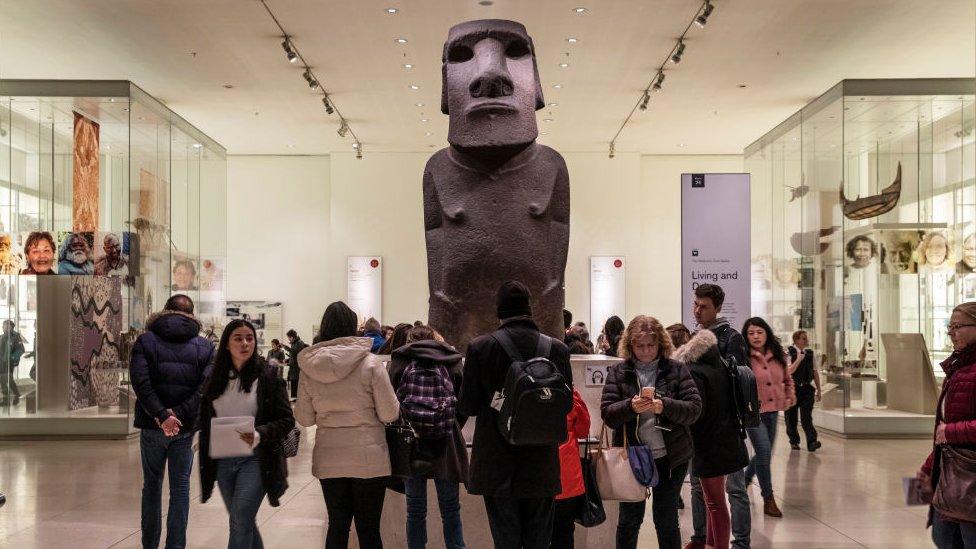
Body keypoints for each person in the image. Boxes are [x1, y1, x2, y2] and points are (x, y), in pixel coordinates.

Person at [458, 280, 572, 548]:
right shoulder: (557, 349)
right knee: (539, 541)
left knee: (506, 540)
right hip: (542, 464)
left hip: (497, 465)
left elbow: (469, 406)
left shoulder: (480, 347)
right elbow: (565, 406)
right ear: (529, 309)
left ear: (499, 311)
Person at [295, 301, 400, 549]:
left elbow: (305, 418)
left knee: (337, 526)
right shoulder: (371, 364)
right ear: (354, 327)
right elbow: (389, 413)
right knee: (369, 530)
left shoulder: (309, 368)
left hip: (329, 458)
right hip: (369, 459)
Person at [601, 315, 702, 549]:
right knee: (629, 520)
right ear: (630, 345)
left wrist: (664, 405)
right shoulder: (619, 371)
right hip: (632, 457)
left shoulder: (676, 370)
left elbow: (694, 409)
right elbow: (608, 413)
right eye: (639, 346)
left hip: (671, 456)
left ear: (661, 344)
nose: (646, 351)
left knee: (666, 520)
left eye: (651, 345)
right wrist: (630, 407)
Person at [198, 319, 295, 549]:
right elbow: (205, 417)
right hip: (223, 460)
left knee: (240, 521)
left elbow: (286, 420)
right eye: (238, 338)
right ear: (226, 345)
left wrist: (259, 433)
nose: (245, 343)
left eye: (249, 338)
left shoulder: (269, 379)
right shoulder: (214, 380)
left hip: (257, 460)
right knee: (244, 522)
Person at [129, 294, 215, 549]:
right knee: (180, 489)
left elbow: (140, 383)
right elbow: (205, 388)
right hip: (185, 429)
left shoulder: (145, 341)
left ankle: (150, 544)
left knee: (152, 487)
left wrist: (162, 415)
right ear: (192, 314)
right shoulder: (205, 346)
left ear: (164, 311)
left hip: (152, 425)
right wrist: (178, 414)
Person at [388, 324, 468, 549]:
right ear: (435, 338)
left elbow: (391, 403)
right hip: (447, 442)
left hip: (411, 443)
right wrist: (451, 425)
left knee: (415, 510)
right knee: (451, 508)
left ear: (409, 340)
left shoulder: (399, 361)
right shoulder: (452, 361)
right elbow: (463, 403)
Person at [688, 283, 751, 549]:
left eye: (704, 306)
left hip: (724, 427)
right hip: (702, 427)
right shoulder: (696, 337)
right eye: (696, 304)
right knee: (700, 490)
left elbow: (731, 384)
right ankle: (702, 538)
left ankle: (739, 541)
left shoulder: (730, 337)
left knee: (732, 490)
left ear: (718, 308)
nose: (698, 310)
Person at [674, 329, 749, 549]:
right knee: (712, 502)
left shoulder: (694, 371)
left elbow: (698, 413)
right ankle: (711, 544)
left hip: (709, 445)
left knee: (715, 503)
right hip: (728, 440)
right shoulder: (721, 364)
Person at [918, 302, 976, 548]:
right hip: (949, 475)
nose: (951, 333)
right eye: (949, 327)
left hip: (969, 480)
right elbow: (944, 425)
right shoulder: (958, 367)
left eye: (957, 326)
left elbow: (947, 429)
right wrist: (928, 467)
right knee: (942, 538)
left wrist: (951, 432)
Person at [742, 317, 795, 518]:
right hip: (753, 413)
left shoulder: (778, 354)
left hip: (773, 411)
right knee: (764, 452)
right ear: (746, 336)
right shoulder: (744, 357)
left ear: (767, 333)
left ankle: (746, 479)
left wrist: (790, 394)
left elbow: (787, 378)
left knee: (766, 454)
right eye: (751, 333)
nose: (756, 336)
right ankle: (769, 499)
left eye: (759, 332)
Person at [551, 387, 590, 549]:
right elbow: (583, 429)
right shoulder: (567, 391)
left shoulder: (520, 385)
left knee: (534, 533)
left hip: (532, 474)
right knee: (564, 532)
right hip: (566, 477)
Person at [786, 330, 822, 452]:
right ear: (796, 340)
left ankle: (812, 442)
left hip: (807, 389)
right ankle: (794, 441)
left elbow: (815, 372)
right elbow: (788, 370)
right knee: (791, 417)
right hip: (792, 388)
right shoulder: (789, 352)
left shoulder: (810, 354)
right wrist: (799, 359)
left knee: (807, 417)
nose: (806, 341)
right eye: (803, 338)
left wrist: (819, 390)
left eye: (806, 338)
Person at [0, 320, 25, 406]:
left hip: (9, 362)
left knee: (7, 379)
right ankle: (9, 398)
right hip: (1, 362)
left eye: (4, 326)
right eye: (3, 326)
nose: (3, 327)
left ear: (10, 326)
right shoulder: (2, 336)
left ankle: (14, 396)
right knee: (4, 380)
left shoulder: (16, 336)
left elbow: (21, 350)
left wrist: (12, 358)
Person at [285, 329, 307, 401]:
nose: (288, 339)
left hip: (297, 368)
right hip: (293, 367)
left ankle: (298, 399)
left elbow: (297, 353)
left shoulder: (299, 343)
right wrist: (288, 360)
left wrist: (287, 348)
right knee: (293, 382)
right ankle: (294, 398)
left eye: (289, 337)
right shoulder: (293, 343)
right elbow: (292, 355)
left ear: (292, 337)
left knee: (297, 382)